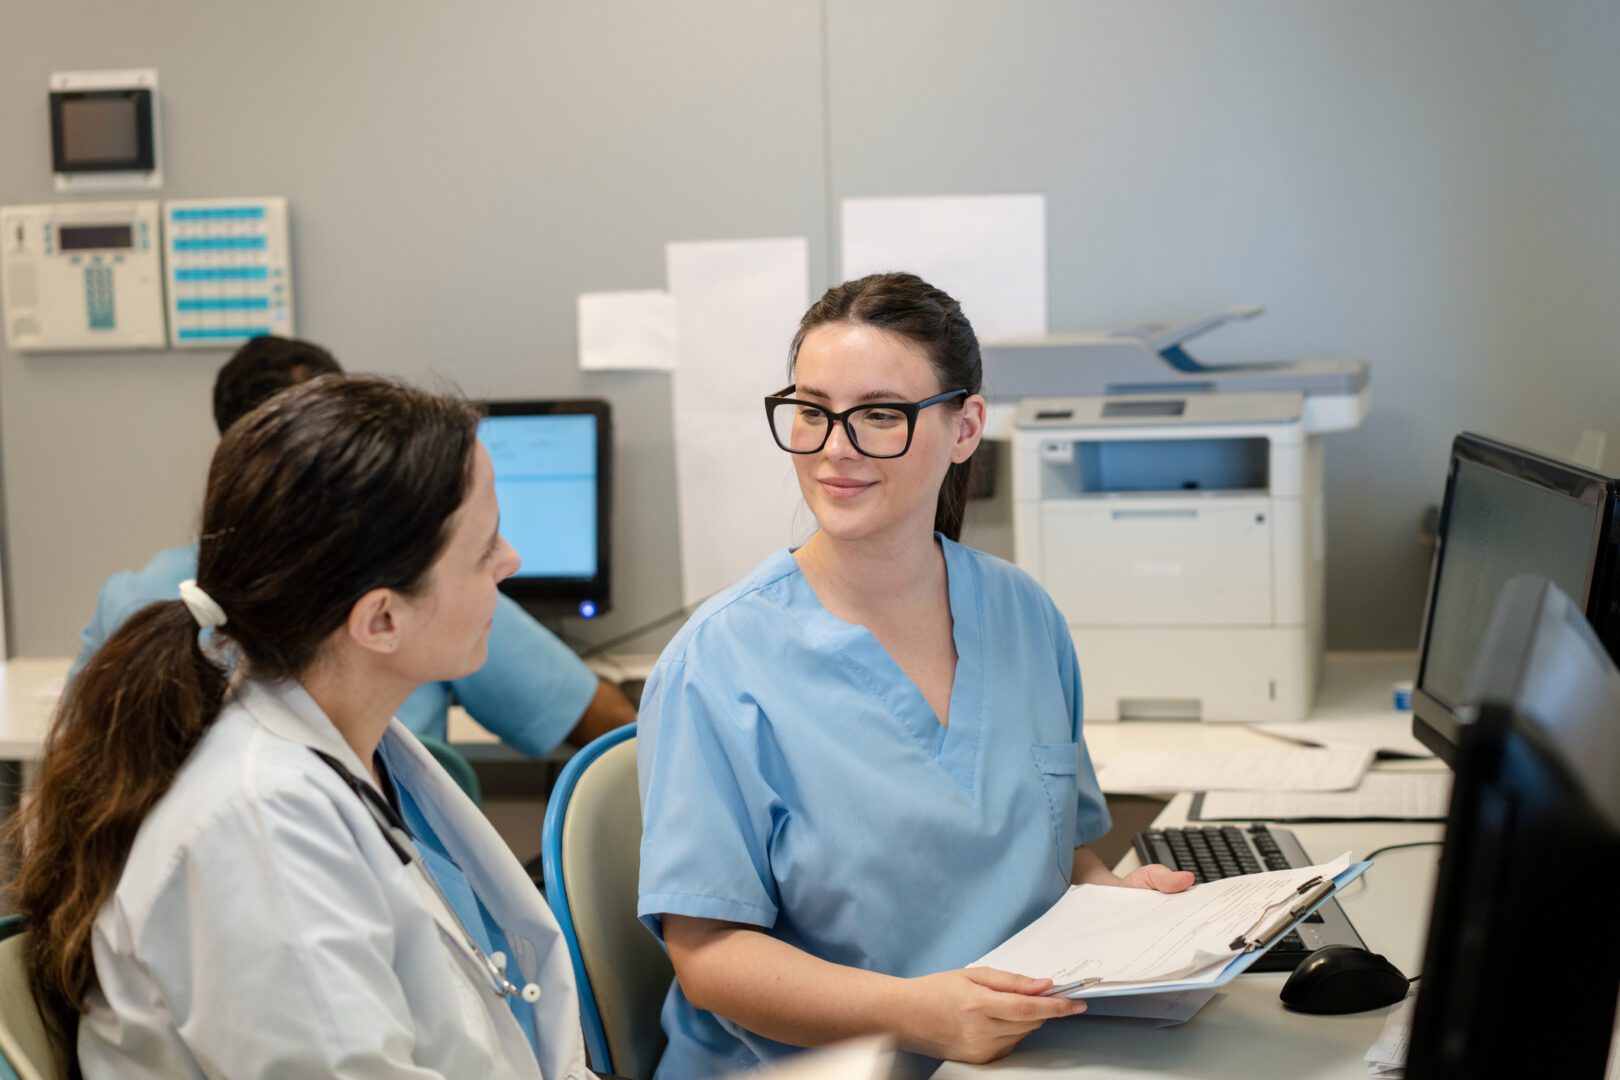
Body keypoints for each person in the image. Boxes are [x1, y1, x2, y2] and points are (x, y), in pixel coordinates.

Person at [635, 273, 1195, 1077]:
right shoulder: (720, 662)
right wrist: (917, 1016)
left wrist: (1116, 902)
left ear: (965, 427)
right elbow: (709, 957)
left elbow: (1059, 855)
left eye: (880, 415)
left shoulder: (1023, 614)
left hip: (1017, 1057)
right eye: (812, 410)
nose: (835, 446)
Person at [6, 377, 592, 1078]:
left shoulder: (353, 752)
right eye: (485, 546)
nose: (511, 561)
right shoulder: (258, 827)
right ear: (380, 620)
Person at [73, 334, 636, 754]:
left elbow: (80, 763)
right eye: (485, 546)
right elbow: (595, 720)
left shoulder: (140, 597)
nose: (509, 560)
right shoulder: (417, 581)